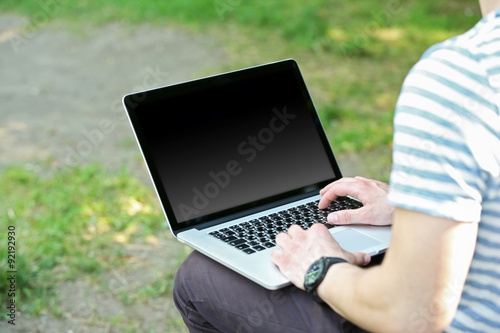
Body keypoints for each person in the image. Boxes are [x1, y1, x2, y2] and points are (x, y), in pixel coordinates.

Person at [173, 0, 500, 331]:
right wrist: (413, 209)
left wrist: (320, 266)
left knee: (195, 277)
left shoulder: (461, 76)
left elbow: (406, 317)